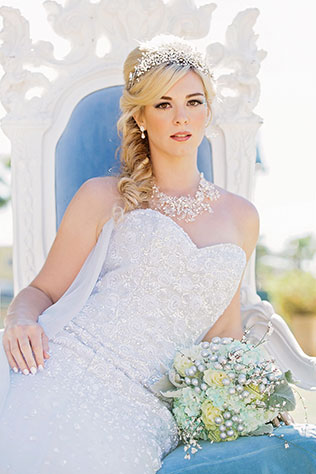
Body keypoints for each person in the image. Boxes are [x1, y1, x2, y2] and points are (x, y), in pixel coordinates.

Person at [0, 34, 306, 474]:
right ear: (140, 117)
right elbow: (41, 290)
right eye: (163, 104)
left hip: (148, 405)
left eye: (193, 101)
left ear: (207, 111)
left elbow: (223, 336)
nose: (181, 116)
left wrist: (250, 396)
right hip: (67, 366)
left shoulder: (243, 217)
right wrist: (20, 321)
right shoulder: (103, 197)